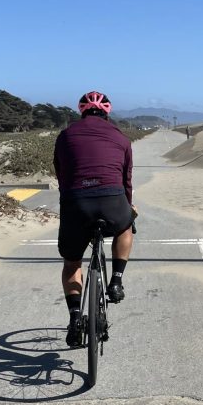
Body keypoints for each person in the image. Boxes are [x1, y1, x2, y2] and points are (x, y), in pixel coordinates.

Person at [53, 91, 137, 347]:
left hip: (77, 204)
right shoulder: (121, 138)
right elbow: (127, 181)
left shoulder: (65, 136)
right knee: (126, 226)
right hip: (112, 202)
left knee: (72, 263)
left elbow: (61, 174)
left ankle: (75, 317)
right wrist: (128, 207)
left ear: (82, 111)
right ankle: (116, 281)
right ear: (107, 112)